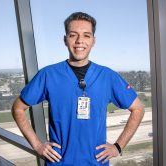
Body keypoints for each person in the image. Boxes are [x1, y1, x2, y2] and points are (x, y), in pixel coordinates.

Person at [12, 12, 144, 166]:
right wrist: (37, 145)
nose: (80, 41)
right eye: (73, 35)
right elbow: (18, 108)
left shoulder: (108, 77)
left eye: (86, 35)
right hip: (59, 162)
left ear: (93, 41)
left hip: (95, 162)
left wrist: (118, 146)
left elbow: (138, 109)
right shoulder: (48, 75)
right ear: (65, 40)